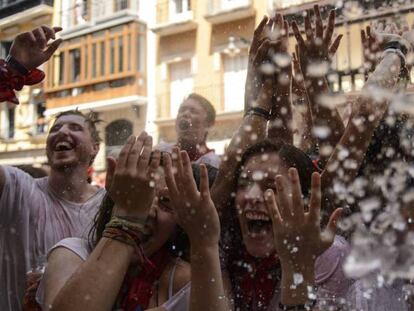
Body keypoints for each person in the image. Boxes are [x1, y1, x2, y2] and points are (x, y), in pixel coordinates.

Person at [39, 133, 229, 311]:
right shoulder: (73, 253)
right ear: (115, 199)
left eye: (165, 202)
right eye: (138, 195)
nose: (148, 210)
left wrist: (205, 243)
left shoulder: (183, 280)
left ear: (178, 224)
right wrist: (127, 219)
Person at [0, 24, 107, 311]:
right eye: (55, 129)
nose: (62, 133)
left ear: (95, 147)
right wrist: (12, 69)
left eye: (75, 128)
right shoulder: (17, 189)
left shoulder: (110, 207)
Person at [156, 93, 221, 169]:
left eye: (193, 111)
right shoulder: (161, 152)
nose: (185, 114)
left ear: (208, 124)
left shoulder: (213, 163)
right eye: (181, 110)